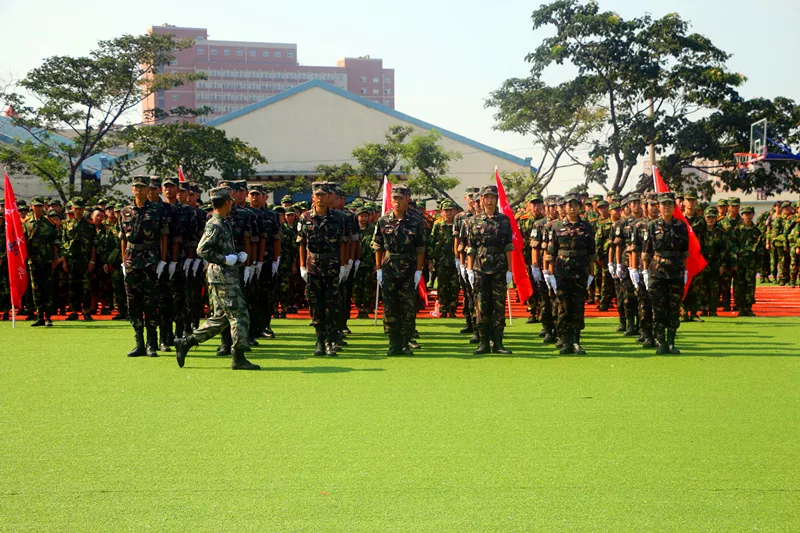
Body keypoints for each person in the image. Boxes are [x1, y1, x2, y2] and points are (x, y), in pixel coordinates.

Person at [174, 187, 260, 370]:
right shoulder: (216, 223)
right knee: (240, 316)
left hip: (224, 273)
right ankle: (239, 356)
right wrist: (224, 260)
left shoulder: (222, 222)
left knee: (221, 318)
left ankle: (186, 342)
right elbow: (202, 249)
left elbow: (220, 248)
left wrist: (236, 256)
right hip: (222, 275)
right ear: (227, 202)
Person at [372, 184, 426, 356]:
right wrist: (379, 268)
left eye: (400, 198)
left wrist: (418, 271)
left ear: (407, 199)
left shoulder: (416, 221)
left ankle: (405, 342)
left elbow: (420, 248)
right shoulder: (383, 220)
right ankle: (393, 342)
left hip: (409, 268)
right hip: (389, 267)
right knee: (390, 307)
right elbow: (378, 245)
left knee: (408, 307)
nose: (396, 202)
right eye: (394, 198)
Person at [119, 176, 169, 357]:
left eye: (142, 187)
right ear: (132, 190)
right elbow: (123, 239)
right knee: (133, 302)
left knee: (151, 302)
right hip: (132, 260)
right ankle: (139, 342)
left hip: (150, 259)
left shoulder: (157, 210)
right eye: (136, 187)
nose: (139, 190)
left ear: (148, 189)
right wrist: (123, 261)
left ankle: (151, 343)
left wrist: (163, 261)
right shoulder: (125, 211)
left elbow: (164, 236)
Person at [297, 182, 349, 356]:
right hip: (313, 266)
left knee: (332, 305)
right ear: (313, 197)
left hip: (332, 265)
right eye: (316, 195)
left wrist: (343, 265)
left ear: (328, 198)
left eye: (323, 195)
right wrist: (302, 266)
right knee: (316, 305)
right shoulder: (305, 217)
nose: (319, 198)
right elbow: (302, 243)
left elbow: (343, 243)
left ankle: (331, 341)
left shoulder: (338, 218)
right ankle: (319, 341)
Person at [466, 186, 514, 354]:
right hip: (480, 267)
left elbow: (508, 246)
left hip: (499, 266)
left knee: (498, 306)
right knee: (481, 305)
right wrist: (470, 269)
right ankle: (483, 342)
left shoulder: (504, 220)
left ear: (496, 199)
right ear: (481, 200)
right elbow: (471, 247)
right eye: (486, 197)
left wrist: (510, 270)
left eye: (493, 197)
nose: (489, 200)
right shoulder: (473, 221)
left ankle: (498, 343)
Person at [546, 193, 596, 355]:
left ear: (580, 207)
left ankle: (576, 341)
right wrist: (550, 274)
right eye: (569, 205)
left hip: (580, 271)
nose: (572, 207)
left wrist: (591, 275)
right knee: (563, 307)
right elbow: (551, 252)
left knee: (578, 307)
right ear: (564, 207)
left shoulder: (587, 227)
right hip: (562, 272)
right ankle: (565, 340)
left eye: (575, 204)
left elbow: (591, 254)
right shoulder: (557, 227)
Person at [641, 192, 689, 354]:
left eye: (669, 204)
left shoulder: (681, 226)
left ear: (674, 207)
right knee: (658, 308)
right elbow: (646, 252)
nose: (666, 207)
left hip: (675, 272)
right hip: (657, 272)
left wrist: (685, 271)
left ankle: (671, 341)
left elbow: (684, 252)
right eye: (663, 204)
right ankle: (661, 341)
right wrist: (645, 272)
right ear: (659, 207)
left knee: (674, 309)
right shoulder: (652, 226)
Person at [22, 197, 59, 327]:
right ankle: (39, 316)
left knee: (47, 288)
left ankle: (48, 317)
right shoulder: (26, 223)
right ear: (31, 207)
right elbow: (22, 242)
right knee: (35, 289)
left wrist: (55, 259)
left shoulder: (49, 223)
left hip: (47, 260)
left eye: (40, 206)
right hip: (33, 260)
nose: (38, 208)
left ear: (43, 207)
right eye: (35, 206)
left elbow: (55, 242)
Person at [61, 198, 96, 320]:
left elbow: (93, 244)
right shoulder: (66, 225)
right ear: (72, 209)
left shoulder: (89, 225)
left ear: (84, 209)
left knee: (86, 287)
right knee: (73, 286)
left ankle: (86, 311)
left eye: (80, 209)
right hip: (71, 260)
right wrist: (64, 261)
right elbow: (64, 243)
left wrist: (92, 261)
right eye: (76, 209)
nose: (78, 211)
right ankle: (74, 311)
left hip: (85, 260)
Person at [730, 206, 763, 316]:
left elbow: (760, 250)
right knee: (739, 286)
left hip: (751, 263)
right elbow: (732, 247)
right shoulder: (737, 230)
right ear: (742, 215)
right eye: (745, 214)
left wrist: (759, 265)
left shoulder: (757, 231)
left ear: (753, 215)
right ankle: (740, 308)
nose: (747, 216)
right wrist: (733, 262)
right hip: (739, 263)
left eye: (750, 214)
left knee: (750, 286)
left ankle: (748, 308)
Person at [428, 200, 459, 318]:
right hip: (441, 261)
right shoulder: (438, 225)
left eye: (451, 210)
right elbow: (431, 243)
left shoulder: (459, 224)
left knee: (454, 286)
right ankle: (443, 309)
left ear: (455, 211)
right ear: (442, 212)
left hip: (455, 261)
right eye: (446, 210)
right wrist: (430, 260)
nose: (449, 212)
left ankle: (452, 309)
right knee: (442, 286)